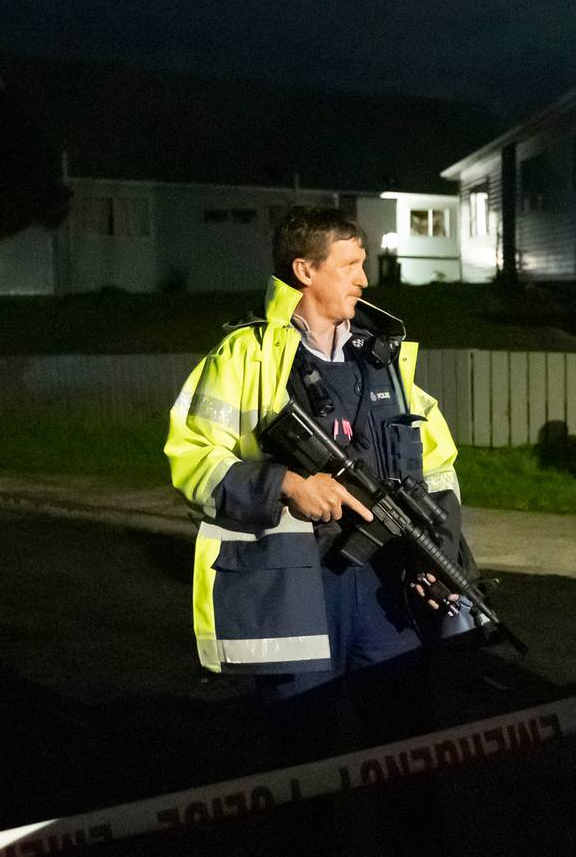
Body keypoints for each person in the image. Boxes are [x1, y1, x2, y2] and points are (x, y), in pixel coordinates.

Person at [164, 204, 469, 743]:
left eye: (362, 263)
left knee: (404, 745)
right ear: (305, 270)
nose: (364, 279)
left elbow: (438, 467)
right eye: (349, 265)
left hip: (385, 589)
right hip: (292, 588)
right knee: (303, 753)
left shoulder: (385, 360)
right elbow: (194, 458)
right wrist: (287, 485)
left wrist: (437, 553)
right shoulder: (245, 357)